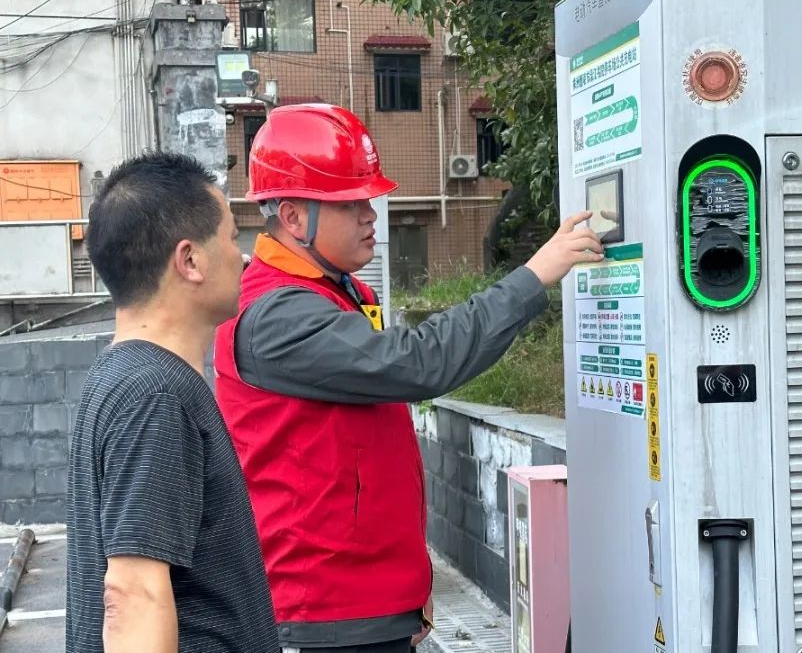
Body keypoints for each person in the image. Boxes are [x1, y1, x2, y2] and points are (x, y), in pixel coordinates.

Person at [213, 103, 603, 653]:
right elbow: (418, 361)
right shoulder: (278, 315)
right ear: (295, 217)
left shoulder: (336, 292)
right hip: (325, 611)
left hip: (365, 601)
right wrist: (532, 278)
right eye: (351, 204)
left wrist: (406, 592)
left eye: (369, 199)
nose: (370, 215)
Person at [66, 152, 277, 653]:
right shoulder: (155, 394)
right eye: (231, 237)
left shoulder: (124, 376)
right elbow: (133, 596)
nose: (243, 257)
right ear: (190, 260)